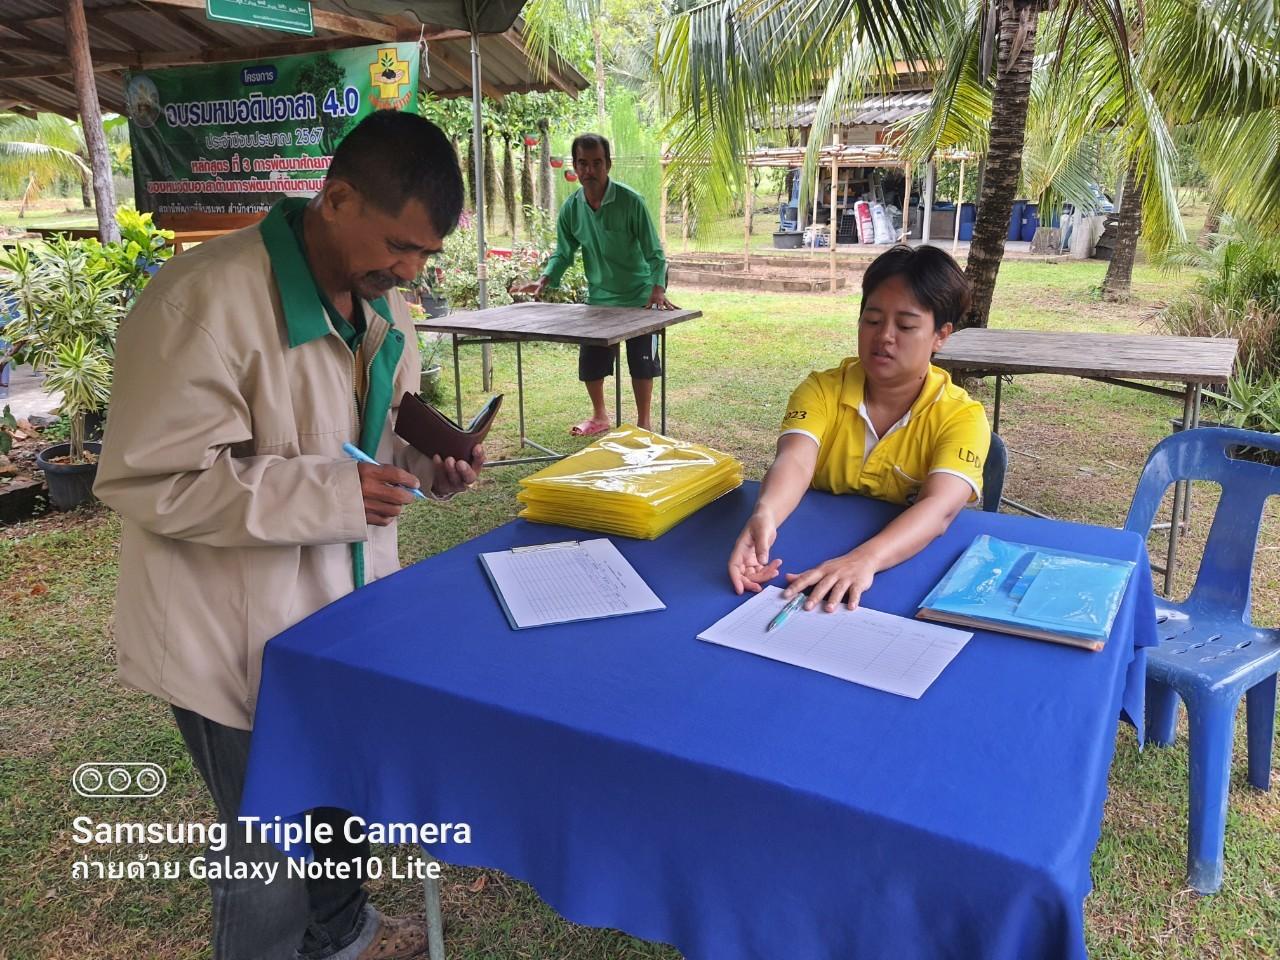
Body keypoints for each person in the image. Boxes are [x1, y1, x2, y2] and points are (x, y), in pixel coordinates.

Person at [95, 111, 481, 960]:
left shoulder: (389, 308)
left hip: (346, 619)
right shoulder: (202, 302)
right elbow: (151, 476)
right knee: (270, 845)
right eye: (398, 244)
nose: (409, 269)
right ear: (335, 198)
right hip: (228, 633)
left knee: (341, 794)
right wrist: (333, 495)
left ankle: (340, 933)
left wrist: (426, 458)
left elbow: (363, 433)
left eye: (425, 254)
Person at [727, 244, 990, 612]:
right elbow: (795, 461)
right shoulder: (821, 390)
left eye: (906, 325)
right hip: (802, 550)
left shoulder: (961, 416)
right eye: (872, 320)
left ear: (941, 335)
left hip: (903, 574)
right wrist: (766, 514)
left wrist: (865, 559)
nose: (884, 336)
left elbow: (939, 508)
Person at [516, 133, 675, 435]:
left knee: (642, 362)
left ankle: (644, 423)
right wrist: (545, 278)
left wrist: (657, 288)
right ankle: (600, 417)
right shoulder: (571, 209)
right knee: (591, 363)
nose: (590, 170)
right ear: (575, 166)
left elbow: (654, 252)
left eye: (597, 163)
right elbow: (564, 253)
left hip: (641, 297)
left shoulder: (631, 202)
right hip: (600, 299)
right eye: (583, 164)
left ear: (608, 165)